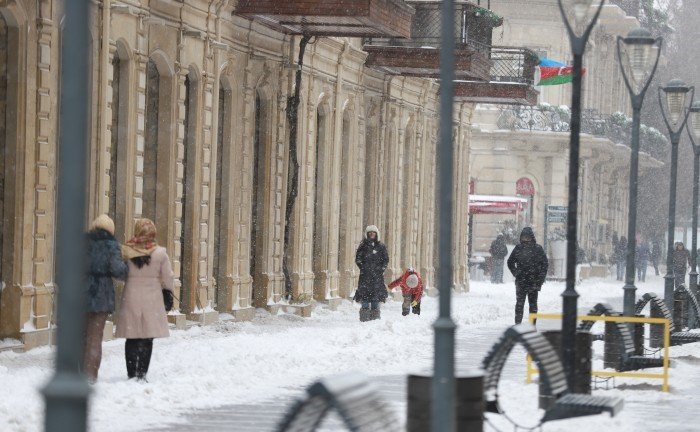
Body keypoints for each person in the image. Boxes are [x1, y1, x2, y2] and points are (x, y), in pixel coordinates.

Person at [116, 219, 175, 381]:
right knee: (147, 338)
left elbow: (121, 275)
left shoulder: (127, 251)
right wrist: (168, 290)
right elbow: (168, 277)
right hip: (152, 298)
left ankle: (131, 373)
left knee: (132, 336)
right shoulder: (160, 253)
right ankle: (142, 373)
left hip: (131, 297)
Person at [84, 214, 128, 382]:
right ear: (111, 230)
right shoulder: (111, 245)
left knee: (81, 336)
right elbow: (118, 270)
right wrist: (129, 269)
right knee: (95, 337)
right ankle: (90, 376)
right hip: (101, 296)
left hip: (80, 294)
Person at [507, 227, 548, 325]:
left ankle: (532, 326)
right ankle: (518, 325)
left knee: (533, 306)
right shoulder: (518, 248)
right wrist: (516, 273)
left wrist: (540, 279)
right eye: (524, 237)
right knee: (519, 305)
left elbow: (545, 264)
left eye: (527, 237)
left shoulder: (538, 249)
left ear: (531, 237)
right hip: (521, 282)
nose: (526, 239)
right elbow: (510, 262)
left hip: (534, 282)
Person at [354, 225, 389, 322]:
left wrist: (381, 269)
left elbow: (386, 260)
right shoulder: (363, 246)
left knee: (375, 296)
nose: (372, 234)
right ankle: (364, 317)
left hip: (377, 277)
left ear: (376, 234)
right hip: (365, 276)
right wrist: (364, 268)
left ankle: (375, 317)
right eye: (370, 233)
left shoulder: (381, 246)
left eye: (373, 233)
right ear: (367, 234)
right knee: (365, 296)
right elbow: (358, 259)